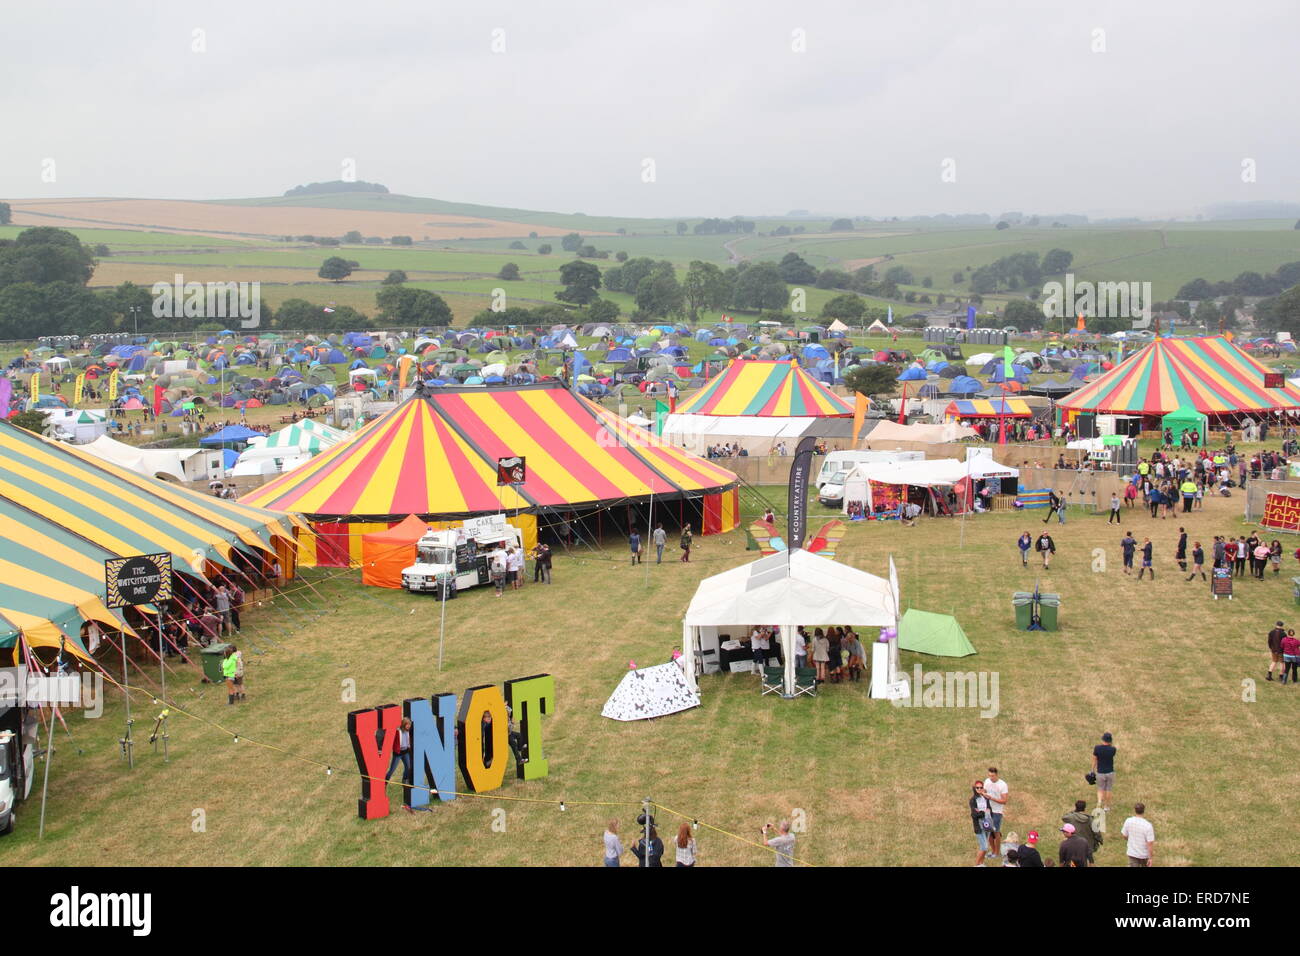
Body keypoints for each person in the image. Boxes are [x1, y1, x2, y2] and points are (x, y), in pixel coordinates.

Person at [386, 717, 413, 806]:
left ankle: (404, 780)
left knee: (408, 767)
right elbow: (391, 740)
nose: (409, 726)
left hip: (405, 752)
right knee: (392, 770)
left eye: (409, 725)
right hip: (398, 753)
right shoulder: (398, 731)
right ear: (404, 724)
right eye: (407, 725)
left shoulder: (408, 731)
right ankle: (384, 783)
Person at [983, 767, 1008, 857]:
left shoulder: (1002, 785)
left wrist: (992, 798)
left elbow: (1004, 801)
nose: (991, 777)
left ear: (997, 775)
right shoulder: (987, 781)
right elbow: (984, 791)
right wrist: (983, 793)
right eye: (989, 775)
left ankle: (997, 852)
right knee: (988, 830)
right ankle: (993, 850)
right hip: (988, 810)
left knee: (996, 832)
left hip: (997, 811)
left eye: (992, 776)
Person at [969, 781, 993, 866]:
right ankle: (976, 865)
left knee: (984, 847)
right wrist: (982, 812)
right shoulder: (973, 800)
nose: (979, 789)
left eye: (981, 787)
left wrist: (987, 812)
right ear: (974, 789)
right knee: (984, 847)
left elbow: (989, 808)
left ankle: (981, 863)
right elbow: (974, 814)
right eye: (977, 788)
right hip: (979, 825)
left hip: (987, 822)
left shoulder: (985, 798)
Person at [1092, 732, 1116, 809]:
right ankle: (1106, 806)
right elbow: (1111, 749)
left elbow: (1094, 759)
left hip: (1100, 772)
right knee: (1108, 789)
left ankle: (1099, 802)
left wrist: (1092, 769)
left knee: (1100, 789)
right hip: (1110, 772)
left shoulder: (1097, 748)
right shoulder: (1113, 749)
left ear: (1103, 739)